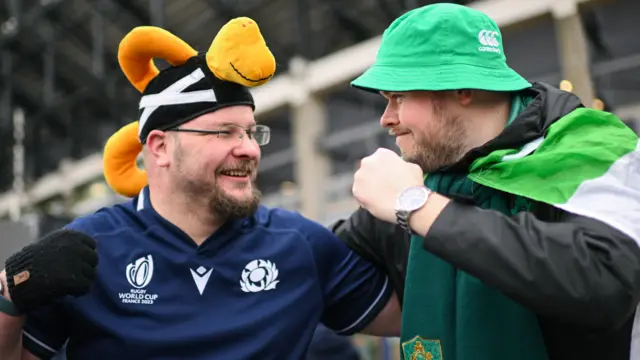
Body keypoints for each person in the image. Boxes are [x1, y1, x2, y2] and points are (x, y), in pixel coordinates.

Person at [0, 18, 400, 360]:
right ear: (159, 147)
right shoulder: (88, 247)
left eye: (249, 131)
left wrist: (411, 207)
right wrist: (9, 295)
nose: (247, 148)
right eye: (224, 132)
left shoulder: (300, 244)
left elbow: (410, 315)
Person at [333, 3, 640, 360]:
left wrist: (414, 204)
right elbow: (319, 267)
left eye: (398, 97)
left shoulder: (595, 148)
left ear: (462, 88)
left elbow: (605, 280)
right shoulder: (432, 171)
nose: (387, 119)